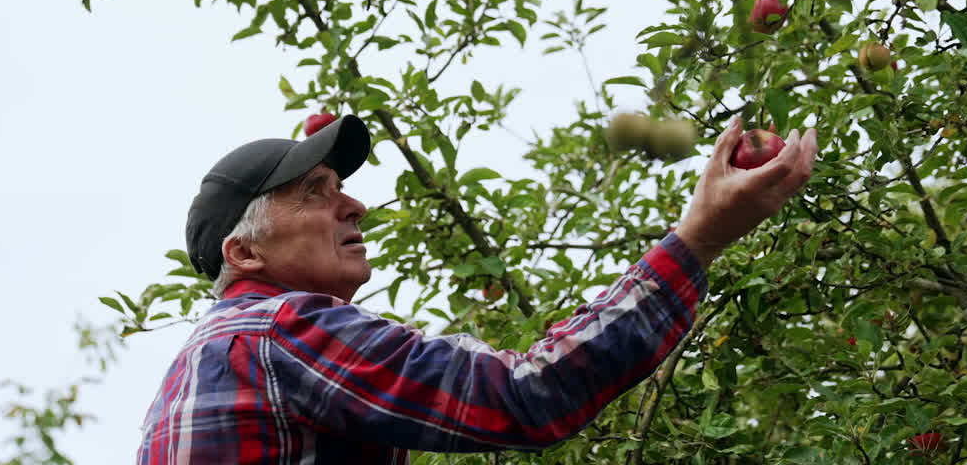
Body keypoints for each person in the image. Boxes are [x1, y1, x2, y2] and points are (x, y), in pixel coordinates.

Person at [138, 114, 817, 463]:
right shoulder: (280, 331)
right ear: (244, 251)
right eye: (317, 193)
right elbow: (522, 397)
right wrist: (698, 239)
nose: (354, 207)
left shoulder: (197, 371)